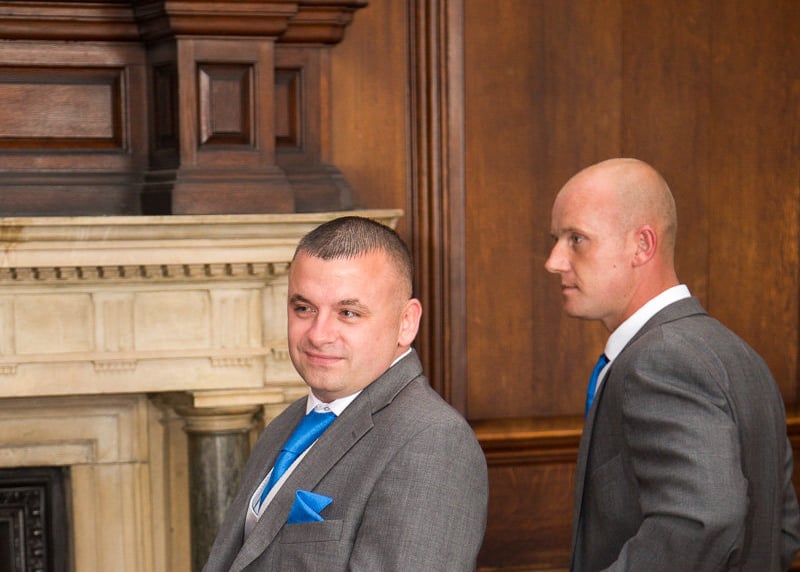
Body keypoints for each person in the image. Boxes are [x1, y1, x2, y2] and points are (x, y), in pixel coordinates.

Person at [545, 158, 800, 571]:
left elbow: (701, 519)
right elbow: (783, 530)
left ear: (642, 245)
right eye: (556, 239)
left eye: (577, 239)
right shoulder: (742, 356)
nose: (554, 260)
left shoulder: (660, 360)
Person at [204, 215, 488, 571]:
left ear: (406, 322)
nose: (318, 334)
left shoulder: (433, 441)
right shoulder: (289, 423)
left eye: (348, 312)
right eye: (304, 309)